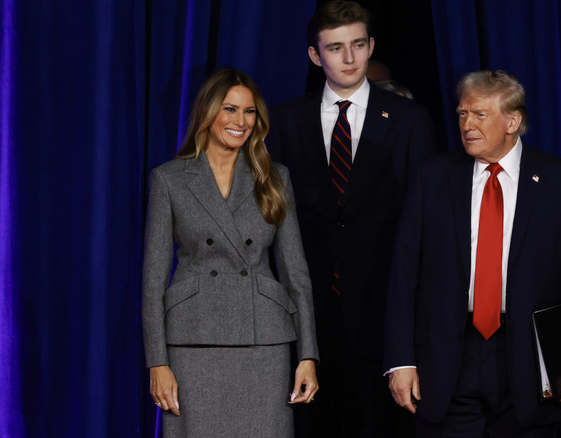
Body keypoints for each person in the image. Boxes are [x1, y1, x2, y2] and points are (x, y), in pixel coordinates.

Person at [384, 70, 561, 437]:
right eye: (461, 114)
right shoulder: (432, 178)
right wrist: (400, 360)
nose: (467, 124)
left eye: (480, 114)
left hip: (528, 360)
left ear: (513, 121)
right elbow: (404, 274)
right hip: (449, 357)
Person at [266, 1, 438, 436]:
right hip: (308, 322)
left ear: (371, 46)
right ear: (314, 55)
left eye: (358, 45)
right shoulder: (285, 120)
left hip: (385, 322)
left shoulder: (409, 120)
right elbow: (272, 221)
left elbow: (427, 226)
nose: (348, 58)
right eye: (336, 47)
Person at [142, 68, 319, 437]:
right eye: (230, 109)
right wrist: (157, 362)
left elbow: (296, 273)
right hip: (193, 340)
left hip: (264, 341)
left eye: (249, 112)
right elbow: (153, 280)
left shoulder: (275, 177)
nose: (241, 121)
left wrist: (307, 355)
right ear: (209, 113)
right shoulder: (169, 179)